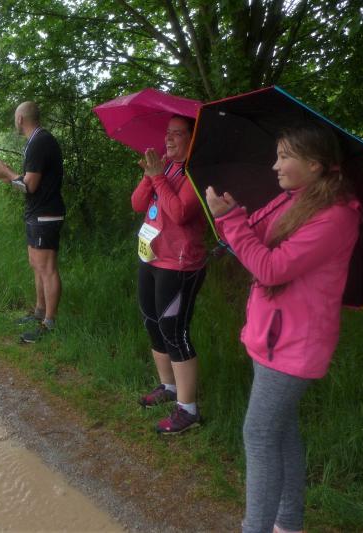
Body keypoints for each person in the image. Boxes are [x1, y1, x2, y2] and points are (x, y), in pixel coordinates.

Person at [205, 123, 360, 533]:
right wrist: (231, 216)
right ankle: (288, 524)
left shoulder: (336, 217)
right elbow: (252, 242)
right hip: (272, 336)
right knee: (282, 432)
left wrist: (232, 223)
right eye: (277, 155)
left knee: (258, 434)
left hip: (295, 345)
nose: (275, 165)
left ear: (315, 164)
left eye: (285, 156)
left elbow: (271, 269)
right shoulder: (293, 200)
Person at [131, 114, 207, 434]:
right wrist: (150, 177)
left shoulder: (196, 172)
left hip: (180, 264)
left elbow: (180, 212)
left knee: (174, 330)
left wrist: (158, 178)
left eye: (178, 133)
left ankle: (188, 410)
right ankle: (169, 387)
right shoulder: (164, 166)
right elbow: (138, 204)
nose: (169, 138)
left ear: (192, 137)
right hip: (151, 256)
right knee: (152, 322)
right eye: (168, 133)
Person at [0, 101, 66, 343]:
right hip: (36, 213)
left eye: (15, 117)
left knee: (47, 268)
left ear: (20, 119)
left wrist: (7, 173)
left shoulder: (40, 142)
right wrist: (7, 175)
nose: (15, 121)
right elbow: (26, 184)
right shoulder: (35, 141)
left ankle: (49, 324)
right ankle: (39, 312)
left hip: (46, 214)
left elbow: (29, 186)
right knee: (36, 264)